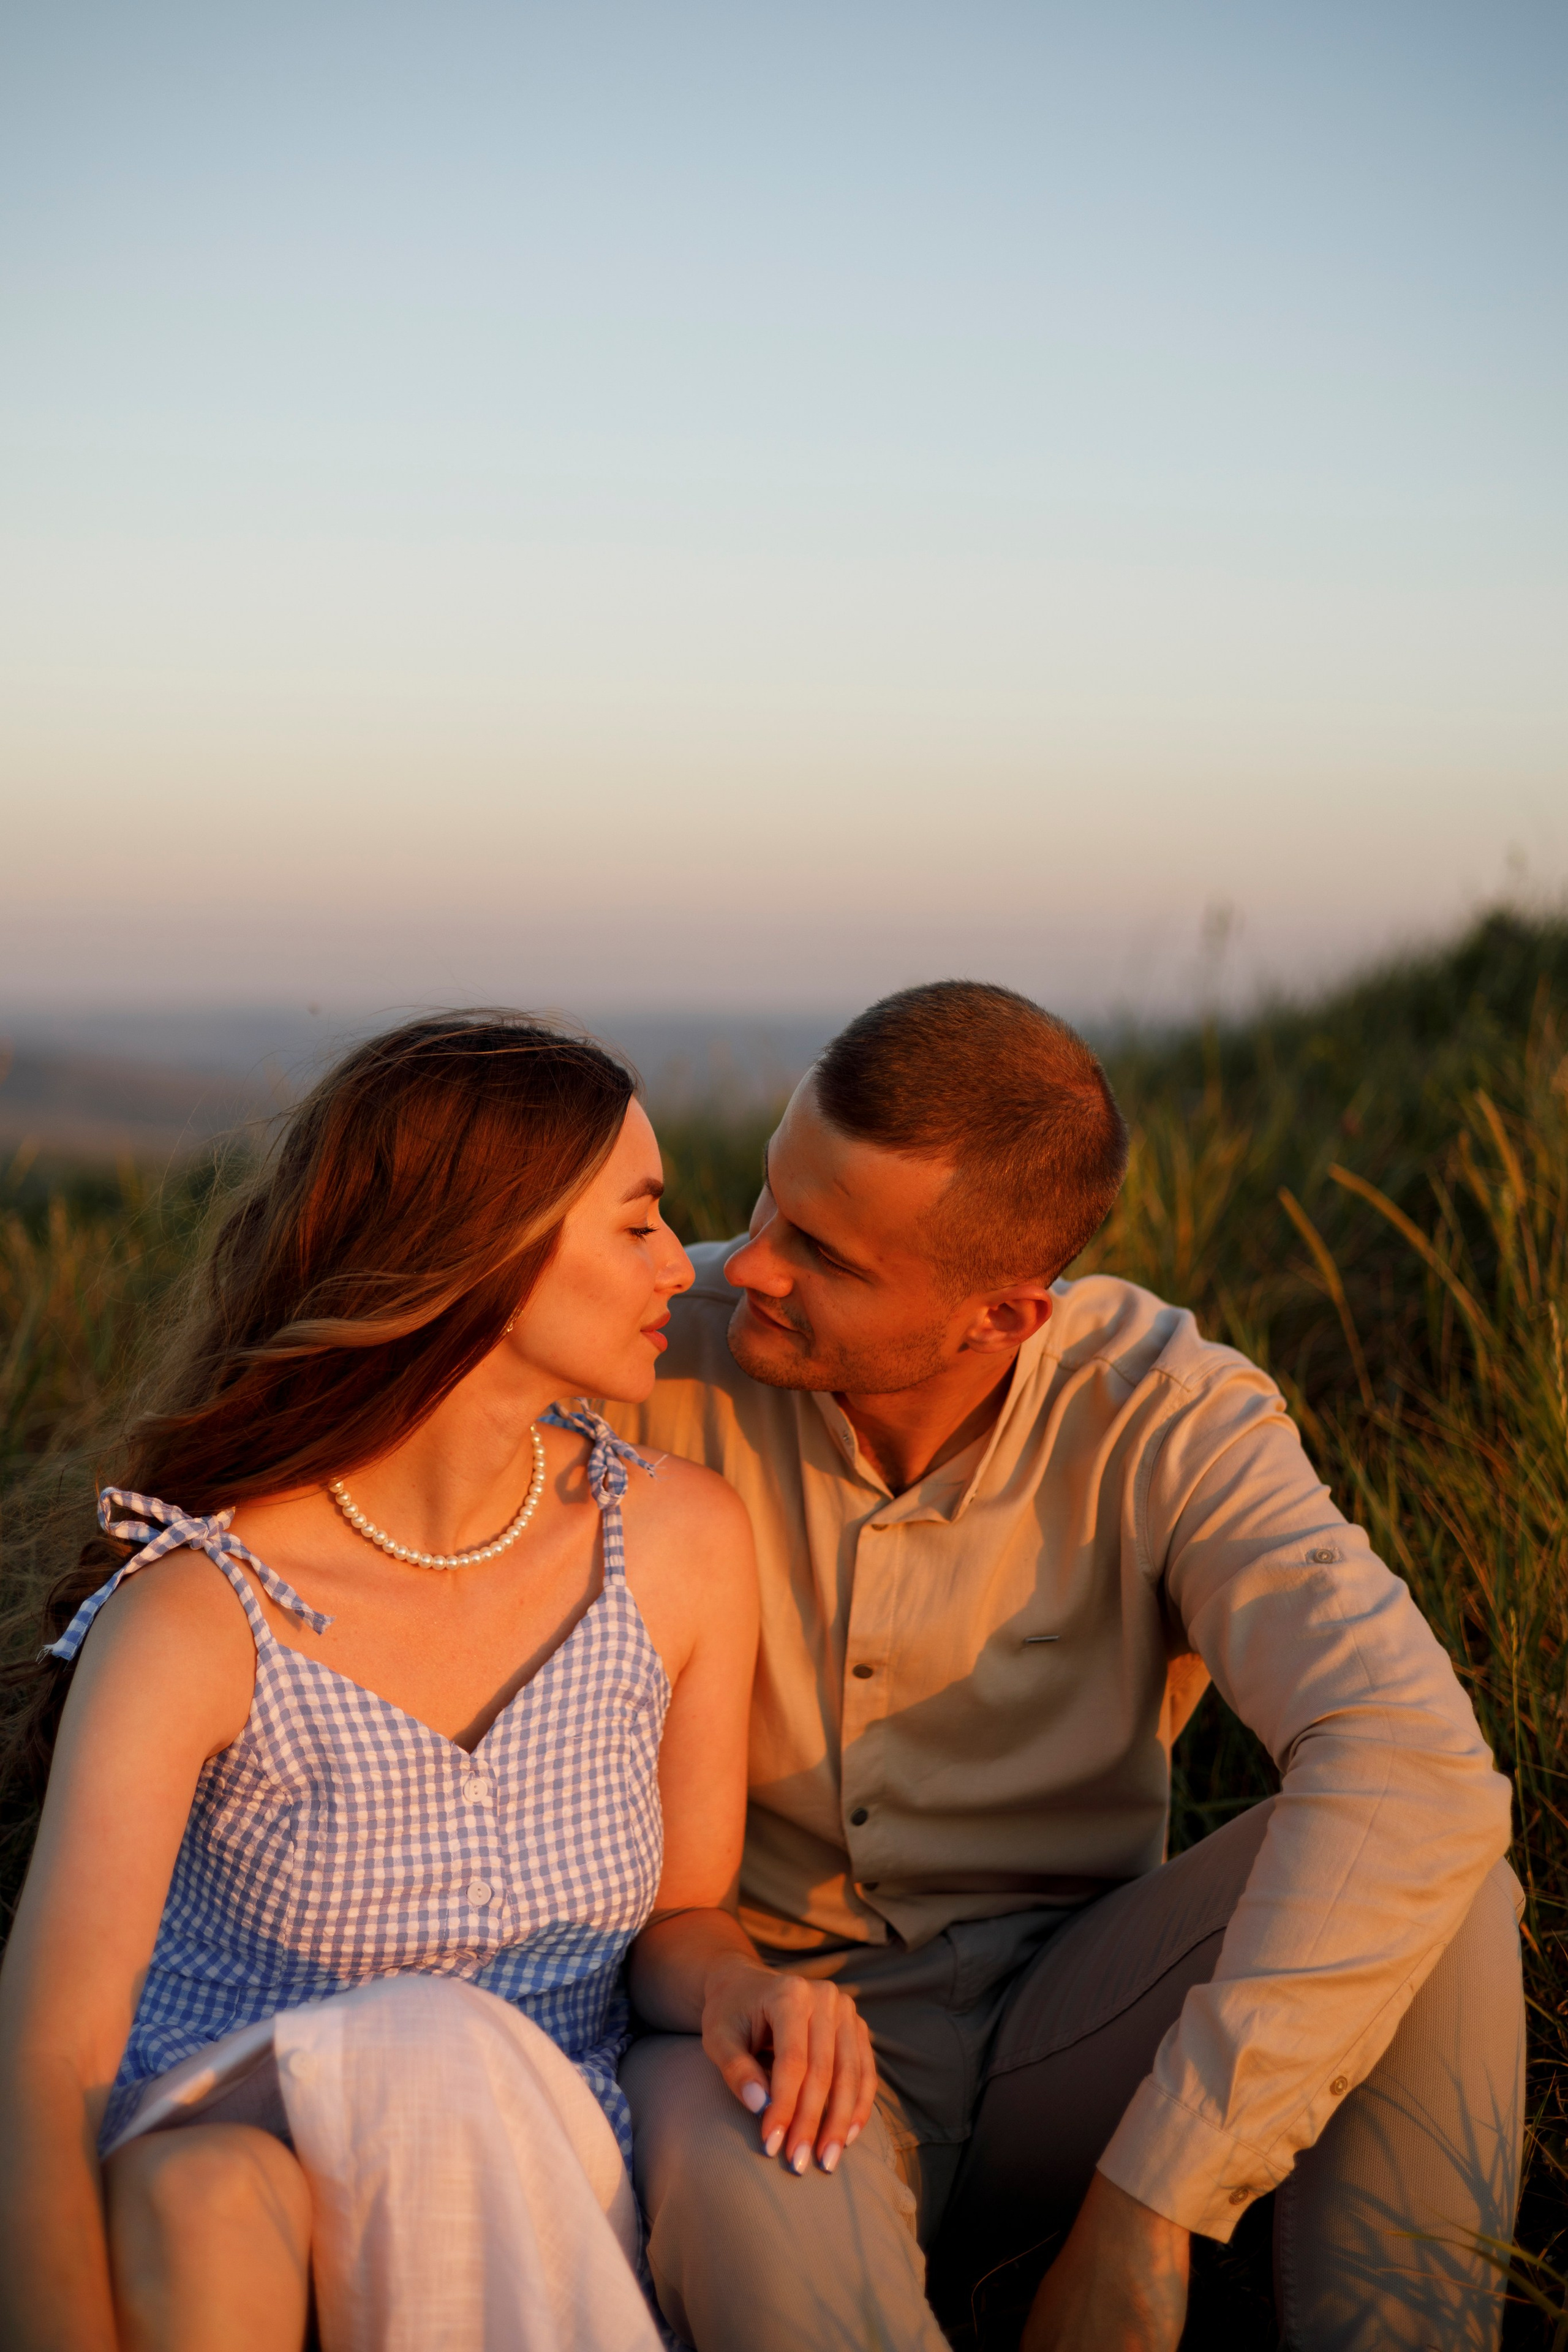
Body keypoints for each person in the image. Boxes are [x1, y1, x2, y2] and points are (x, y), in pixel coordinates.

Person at [606, 981, 1525, 2352]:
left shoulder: (1162, 1408)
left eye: (822, 1253)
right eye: (766, 1202)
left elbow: (1413, 1760)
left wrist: (1153, 2203)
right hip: (765, 2032)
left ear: (1002, 1317)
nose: (749, 1266)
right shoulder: (636, 1356)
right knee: (729, 2154)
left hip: (1075, 2027)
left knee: (1444, 1883)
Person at [0, 1016, 875, 2352]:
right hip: (234, 2152)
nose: (678, 1263)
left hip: (545, 2163)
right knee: (230, 2166)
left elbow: (681, 1916)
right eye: (638, 1223)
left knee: (398, 2069)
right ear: (487, 1257)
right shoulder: (203, 1609)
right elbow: (49, 2055)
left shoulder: (679, 1543)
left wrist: (739, 1989)